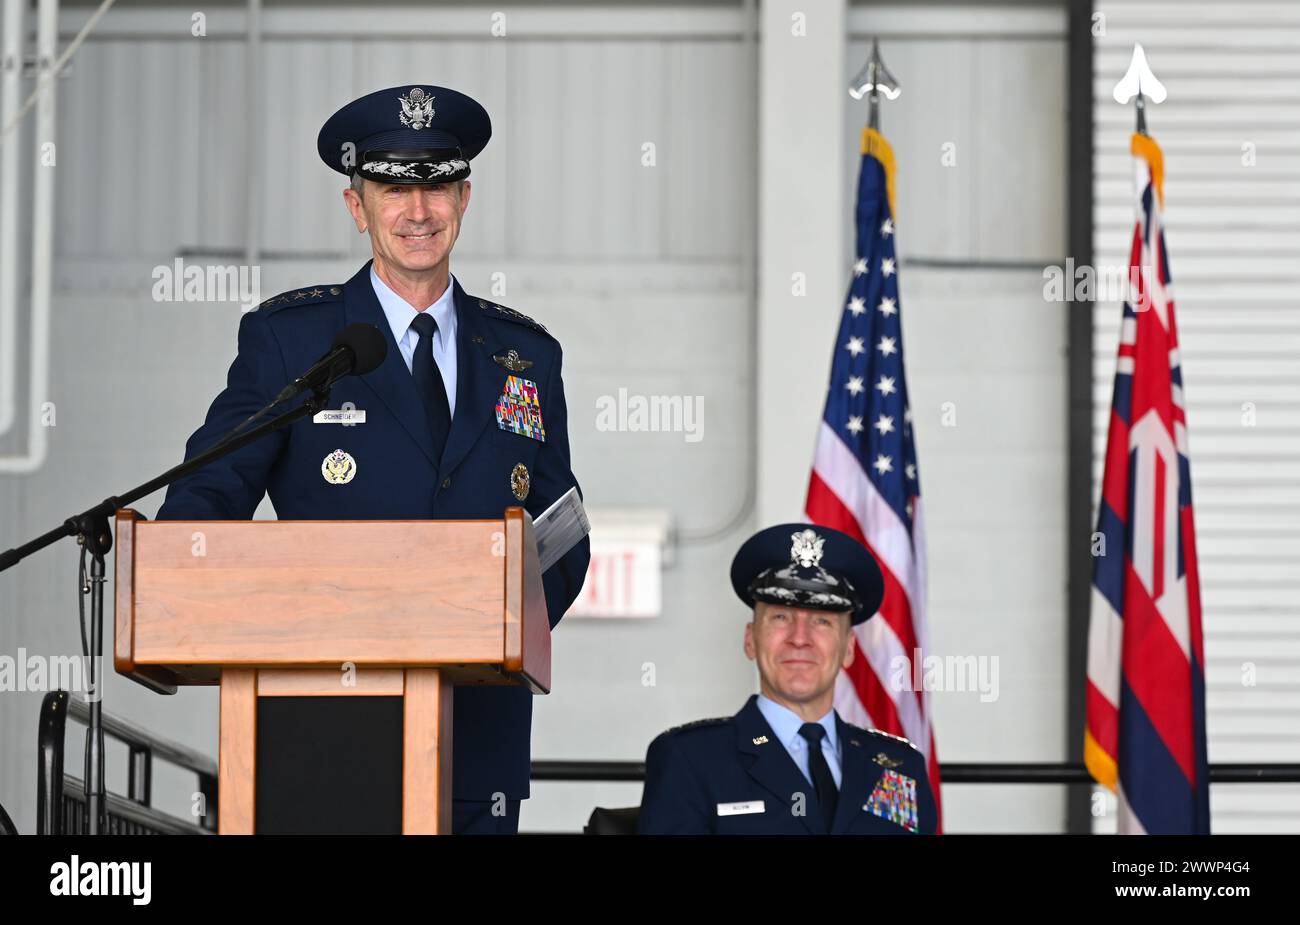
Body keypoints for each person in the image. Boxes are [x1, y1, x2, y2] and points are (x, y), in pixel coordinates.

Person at [156, 84, 589, 834]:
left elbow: (562, 531)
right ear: (357, 206)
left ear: (464, 196)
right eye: (393, 187)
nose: (417, 211)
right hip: (320, 731)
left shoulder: (527, 355)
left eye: (435, 186)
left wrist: (503, 625)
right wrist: (171, 598)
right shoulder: (295, 339)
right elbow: (208, 492)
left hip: (477, 740)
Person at [638, 523, 937, 834]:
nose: (800, 638)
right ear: (751, 639)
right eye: (781, 617)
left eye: (822, 621)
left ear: (848, 649)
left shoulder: (900, 768)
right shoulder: (691, 760)